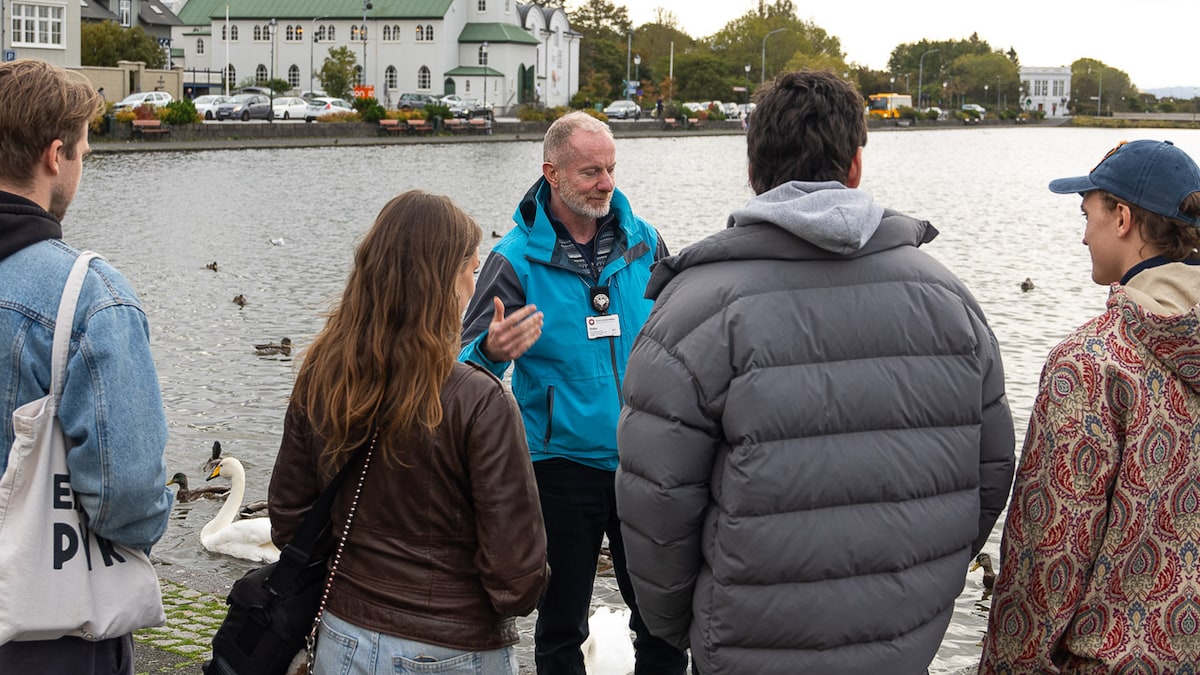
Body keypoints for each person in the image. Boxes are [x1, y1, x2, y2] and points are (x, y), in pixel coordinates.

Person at [615, 69, 1016, 674]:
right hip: (903, 638)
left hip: (746, 643)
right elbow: (987, 476)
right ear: (856, 166)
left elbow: (655, 506)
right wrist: (924, 588)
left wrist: (684, 626)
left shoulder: (692, 313)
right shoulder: (950, 300)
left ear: (754, 171)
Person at [269, 190, 549, 673]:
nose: (473, 286)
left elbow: (290, 521)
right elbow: (516, 576)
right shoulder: (479, 399)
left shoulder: (321, 376)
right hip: (456, 648)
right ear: (443, 282)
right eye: (471, 271)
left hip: (344, 636)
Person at [460, 111, 687, 675]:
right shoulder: (513, 259)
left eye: (610, 168)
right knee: (561, 624)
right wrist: (491, 351)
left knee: (662, 619)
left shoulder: (646, 242)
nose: (606, 182)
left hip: (645, 460)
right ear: (552, 174)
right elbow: (459, 372)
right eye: (590, 172)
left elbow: (685, 334)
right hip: (561, 465)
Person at [980, 140, 1200, 672]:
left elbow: (1048, 549)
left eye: (1088, 214)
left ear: (1122, 217)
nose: (1083, 235)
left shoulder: (1091, 362)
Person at [0, 59, 172, 673]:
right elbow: (129, 498)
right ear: (55, 155)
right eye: (85, 153)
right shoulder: (88, 296)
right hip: (43, 628)